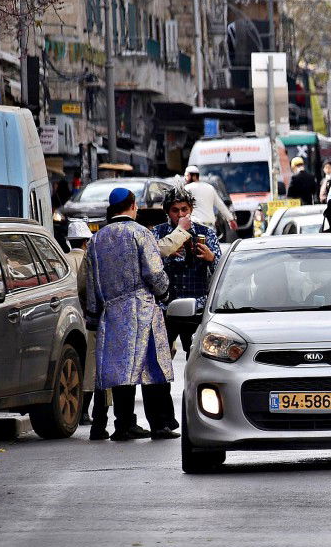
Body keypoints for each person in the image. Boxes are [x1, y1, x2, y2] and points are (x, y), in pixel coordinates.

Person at [84, 187, 179, 441]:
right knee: (152, 368)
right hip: (142, 309)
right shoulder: (141, 233)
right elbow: (155, 273)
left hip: (111, 313)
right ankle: (160, 424)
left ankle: (123, 424)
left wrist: (94, 317)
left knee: (119, 371)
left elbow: (92, 283)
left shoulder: (96, 240)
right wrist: (164, 294)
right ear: (133, 205)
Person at [152, 187, 221, 355]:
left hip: (197, 307)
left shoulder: (206, 233)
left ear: (191, 209)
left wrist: (211, 258)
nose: (181, 214)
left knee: (201, 357)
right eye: (175, 210)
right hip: (165, 307)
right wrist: (165, 256)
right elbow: (148, 268)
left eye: (184, 209)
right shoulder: (157, 233)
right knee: (159, 359)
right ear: (167, 212)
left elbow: (223, 272)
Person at [65, 220, 108, 436]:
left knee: (75, 365)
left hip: (66, 322)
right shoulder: (90, 258)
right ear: (85, 241)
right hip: (89, 319)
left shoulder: (60, 261)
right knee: (91, 368)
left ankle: (75, 408)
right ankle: (85, 412)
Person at [184, 165, 236, 231]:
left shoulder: (187, 188)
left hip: (195, 226)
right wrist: (231, 219)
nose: (185, 178)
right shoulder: (209, 187)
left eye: (186, 176)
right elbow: (220, 205)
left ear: (192, 176)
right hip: (210, 227)